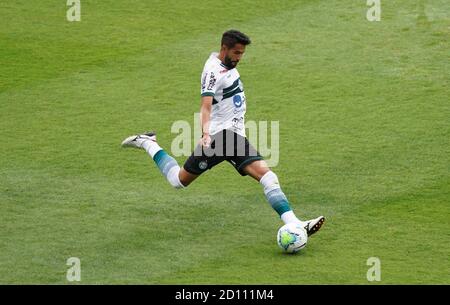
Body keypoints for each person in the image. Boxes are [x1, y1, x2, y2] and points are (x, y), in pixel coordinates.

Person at [121, 30, 325, 236]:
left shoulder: (228, 66)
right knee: (178, 180)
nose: (239, 58)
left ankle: (296, 224)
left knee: (268, 177)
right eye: (236, 53)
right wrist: (206, 133)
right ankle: (147, 142)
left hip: (234, 137)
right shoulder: (212, 72)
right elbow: (205, 106)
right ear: (224, 48)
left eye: (242, 54)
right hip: (220, 138)